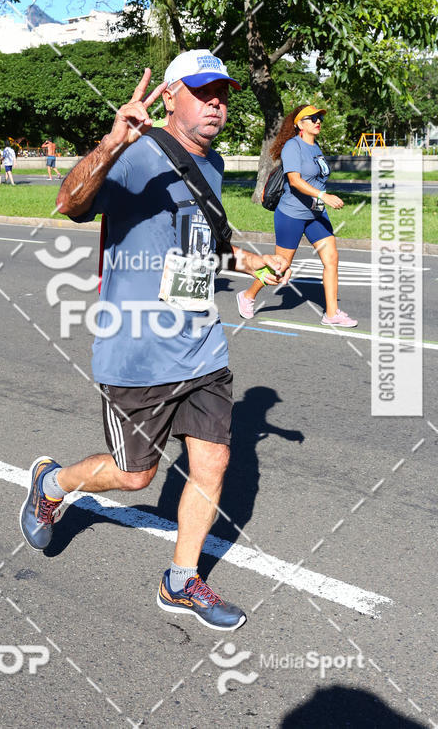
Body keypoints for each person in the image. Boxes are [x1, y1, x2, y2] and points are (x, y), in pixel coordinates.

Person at [19, 50, 291, 630]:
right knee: (136, 475)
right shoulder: (135, 155)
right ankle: (52, 482)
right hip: (137, 351)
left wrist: (250, 261)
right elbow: (69, 203)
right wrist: (114, 140)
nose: (217, 103)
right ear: (170, 96)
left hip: (201, 346)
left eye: (222, 92)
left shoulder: (211, 165)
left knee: (213, 461)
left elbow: (204, 248)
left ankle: (180, 579)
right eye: (203, 92)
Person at [237, 105, 357, 327]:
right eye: (312, 118)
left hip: (316, 214)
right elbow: (294, 181)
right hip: (291, 214)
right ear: (300, 124)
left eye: (319, 117)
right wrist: (324, 195)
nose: (318, 121)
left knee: (331, 259)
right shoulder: (293, 147)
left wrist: (321, 199)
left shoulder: (316, 147)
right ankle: (248, 295)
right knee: (280, 267)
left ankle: (331, 313)